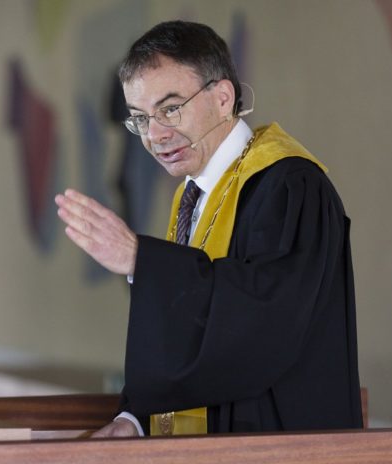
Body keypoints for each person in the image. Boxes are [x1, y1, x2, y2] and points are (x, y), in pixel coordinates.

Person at [54, 20, 362, 437]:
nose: (155, 136)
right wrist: (136, 419)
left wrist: (143, 260)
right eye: (140, 119)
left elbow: (261, 325)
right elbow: (186, 333)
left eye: (170, 109)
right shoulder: (192, 195)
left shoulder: (290, 186)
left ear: (222, 98)